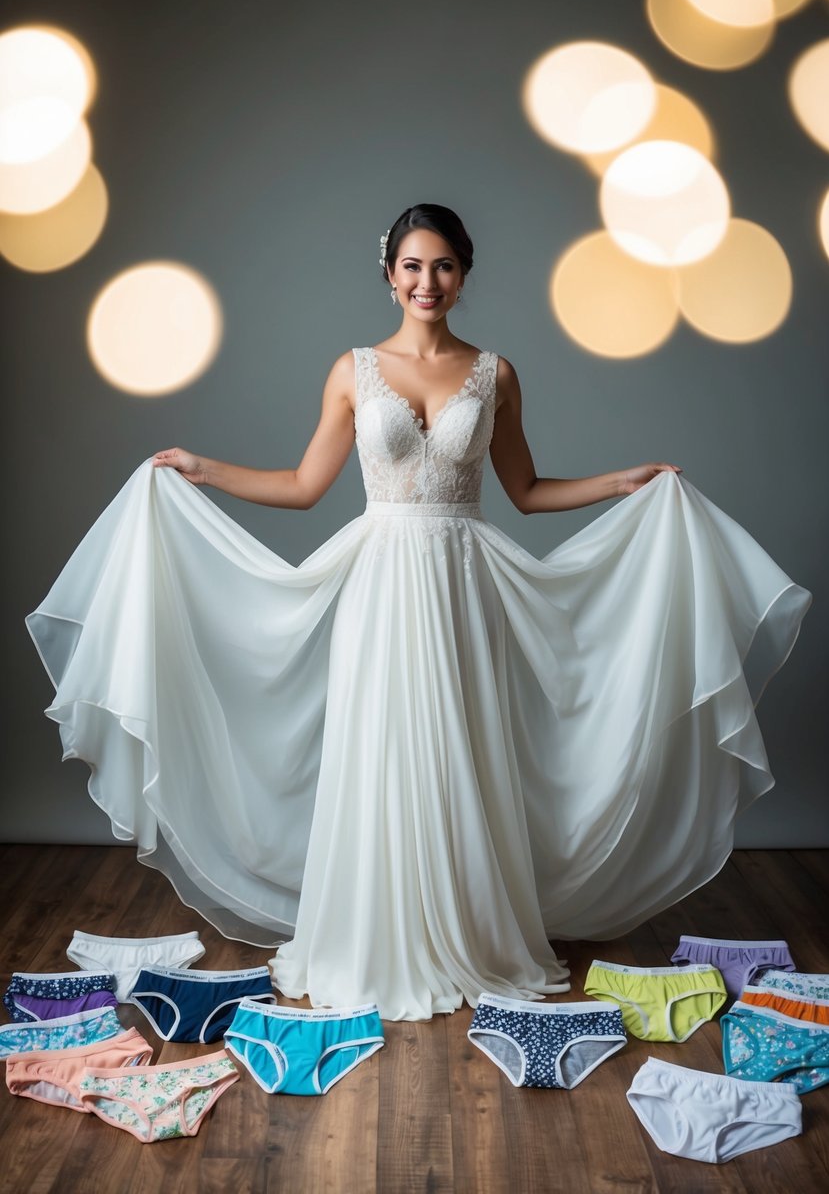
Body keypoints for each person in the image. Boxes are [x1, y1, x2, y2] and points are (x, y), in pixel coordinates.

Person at [28, 204, 810, 1022]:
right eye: (410, 265)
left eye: (441, 266)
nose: (425, 281)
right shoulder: (353, 369)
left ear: (463, 274)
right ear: (388, 273)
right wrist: (201, 468)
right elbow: (301, 488)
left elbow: (527, 493)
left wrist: (618, 485)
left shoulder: (494, 374)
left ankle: (469, 934)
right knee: (382, 748)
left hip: (463, 583)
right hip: (380, 581)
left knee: (461, 752)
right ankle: (376, 933)